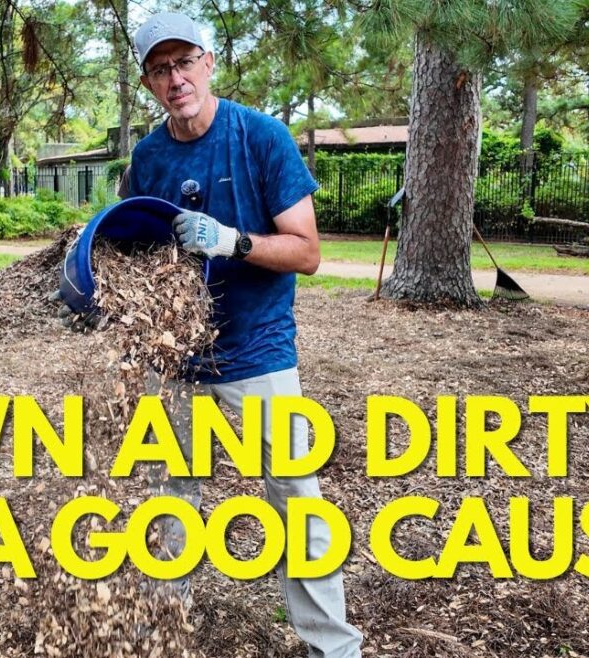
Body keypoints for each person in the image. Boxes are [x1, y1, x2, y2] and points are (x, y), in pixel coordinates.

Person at [124, 12, 363, 658]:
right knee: (172, 498)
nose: (176, 79)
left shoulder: (261, 138)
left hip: (257, 353)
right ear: (148, 82)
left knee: (296, 501)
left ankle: (331, 646)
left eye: (184, 63)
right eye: (160, 69)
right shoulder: (147, 157)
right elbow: (129, 249)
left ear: (209, 62)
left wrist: (235, 241)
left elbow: (308, 252)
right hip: (174, 361)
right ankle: (163, 631)